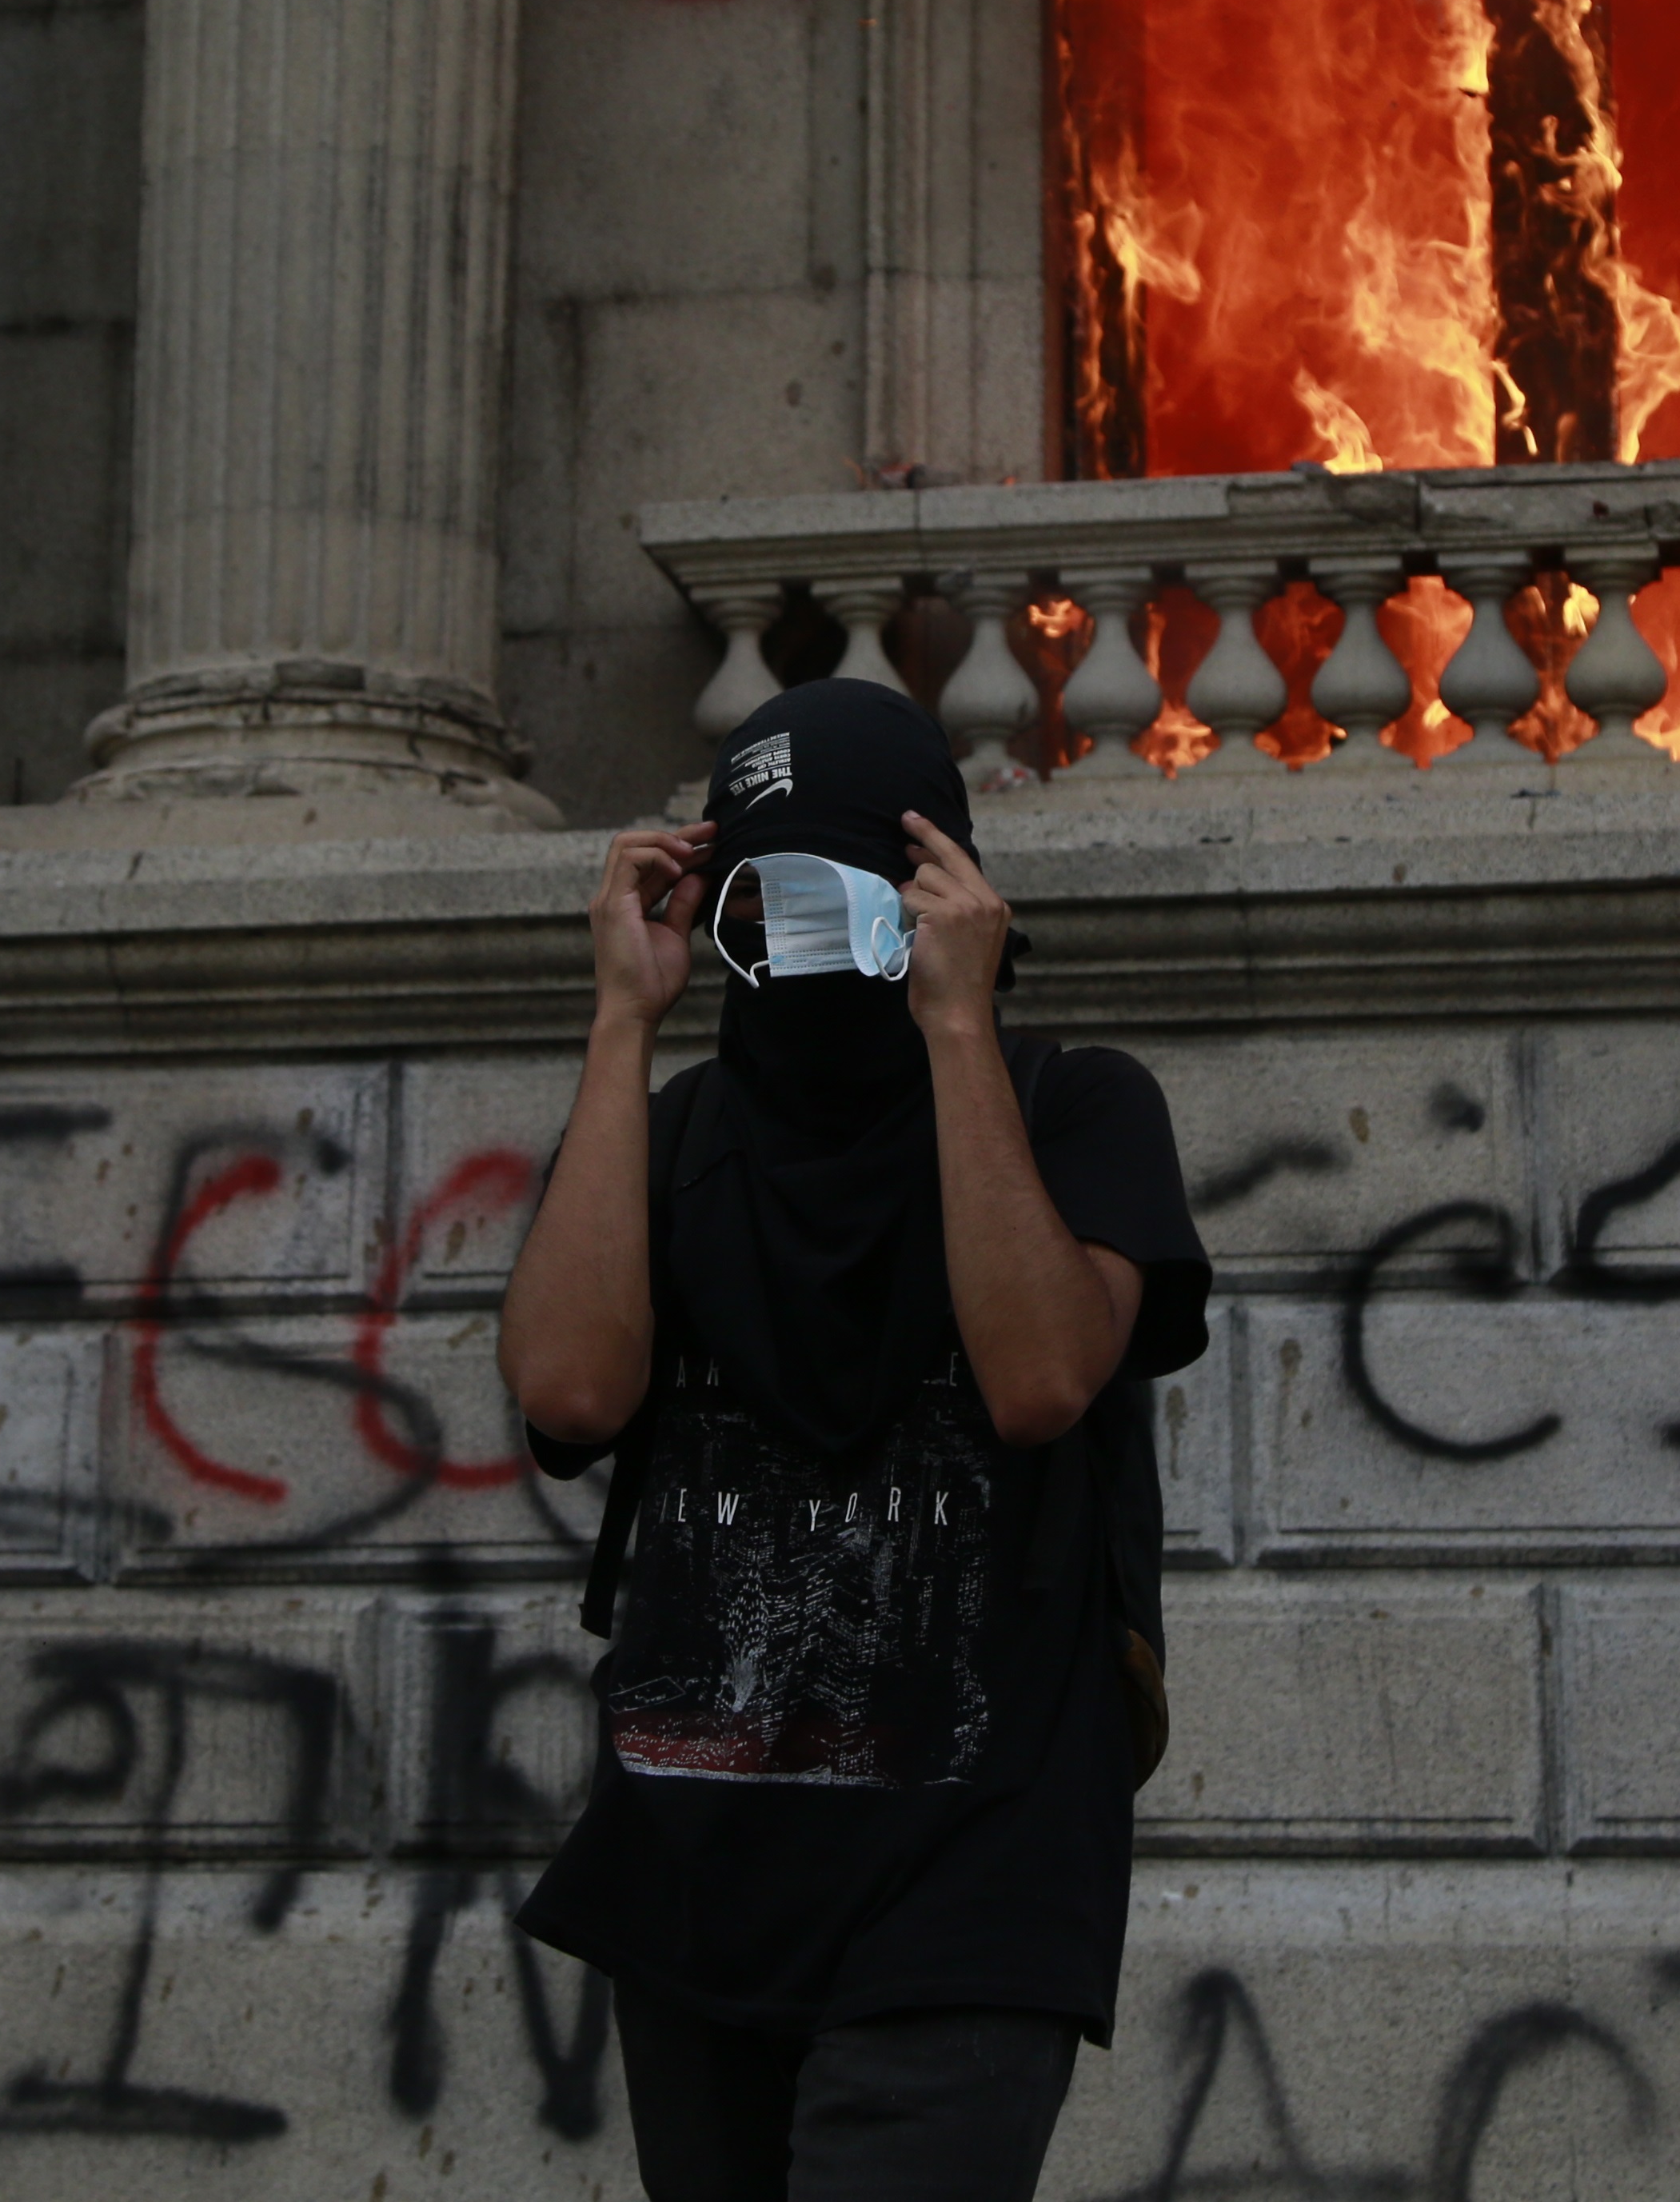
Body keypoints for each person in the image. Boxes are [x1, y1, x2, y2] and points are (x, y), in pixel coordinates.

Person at [500, 679, 1210, 2202]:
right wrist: (626, 1016)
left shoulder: (1075, 1108)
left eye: (854, 894)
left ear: (935, 889)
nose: (808, 940)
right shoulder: (678, 1134)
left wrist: (957, 1012)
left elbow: (1036, 1378)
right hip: (696, 1864)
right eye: (771, 898)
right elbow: (566, 1391)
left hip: (975, 1871)